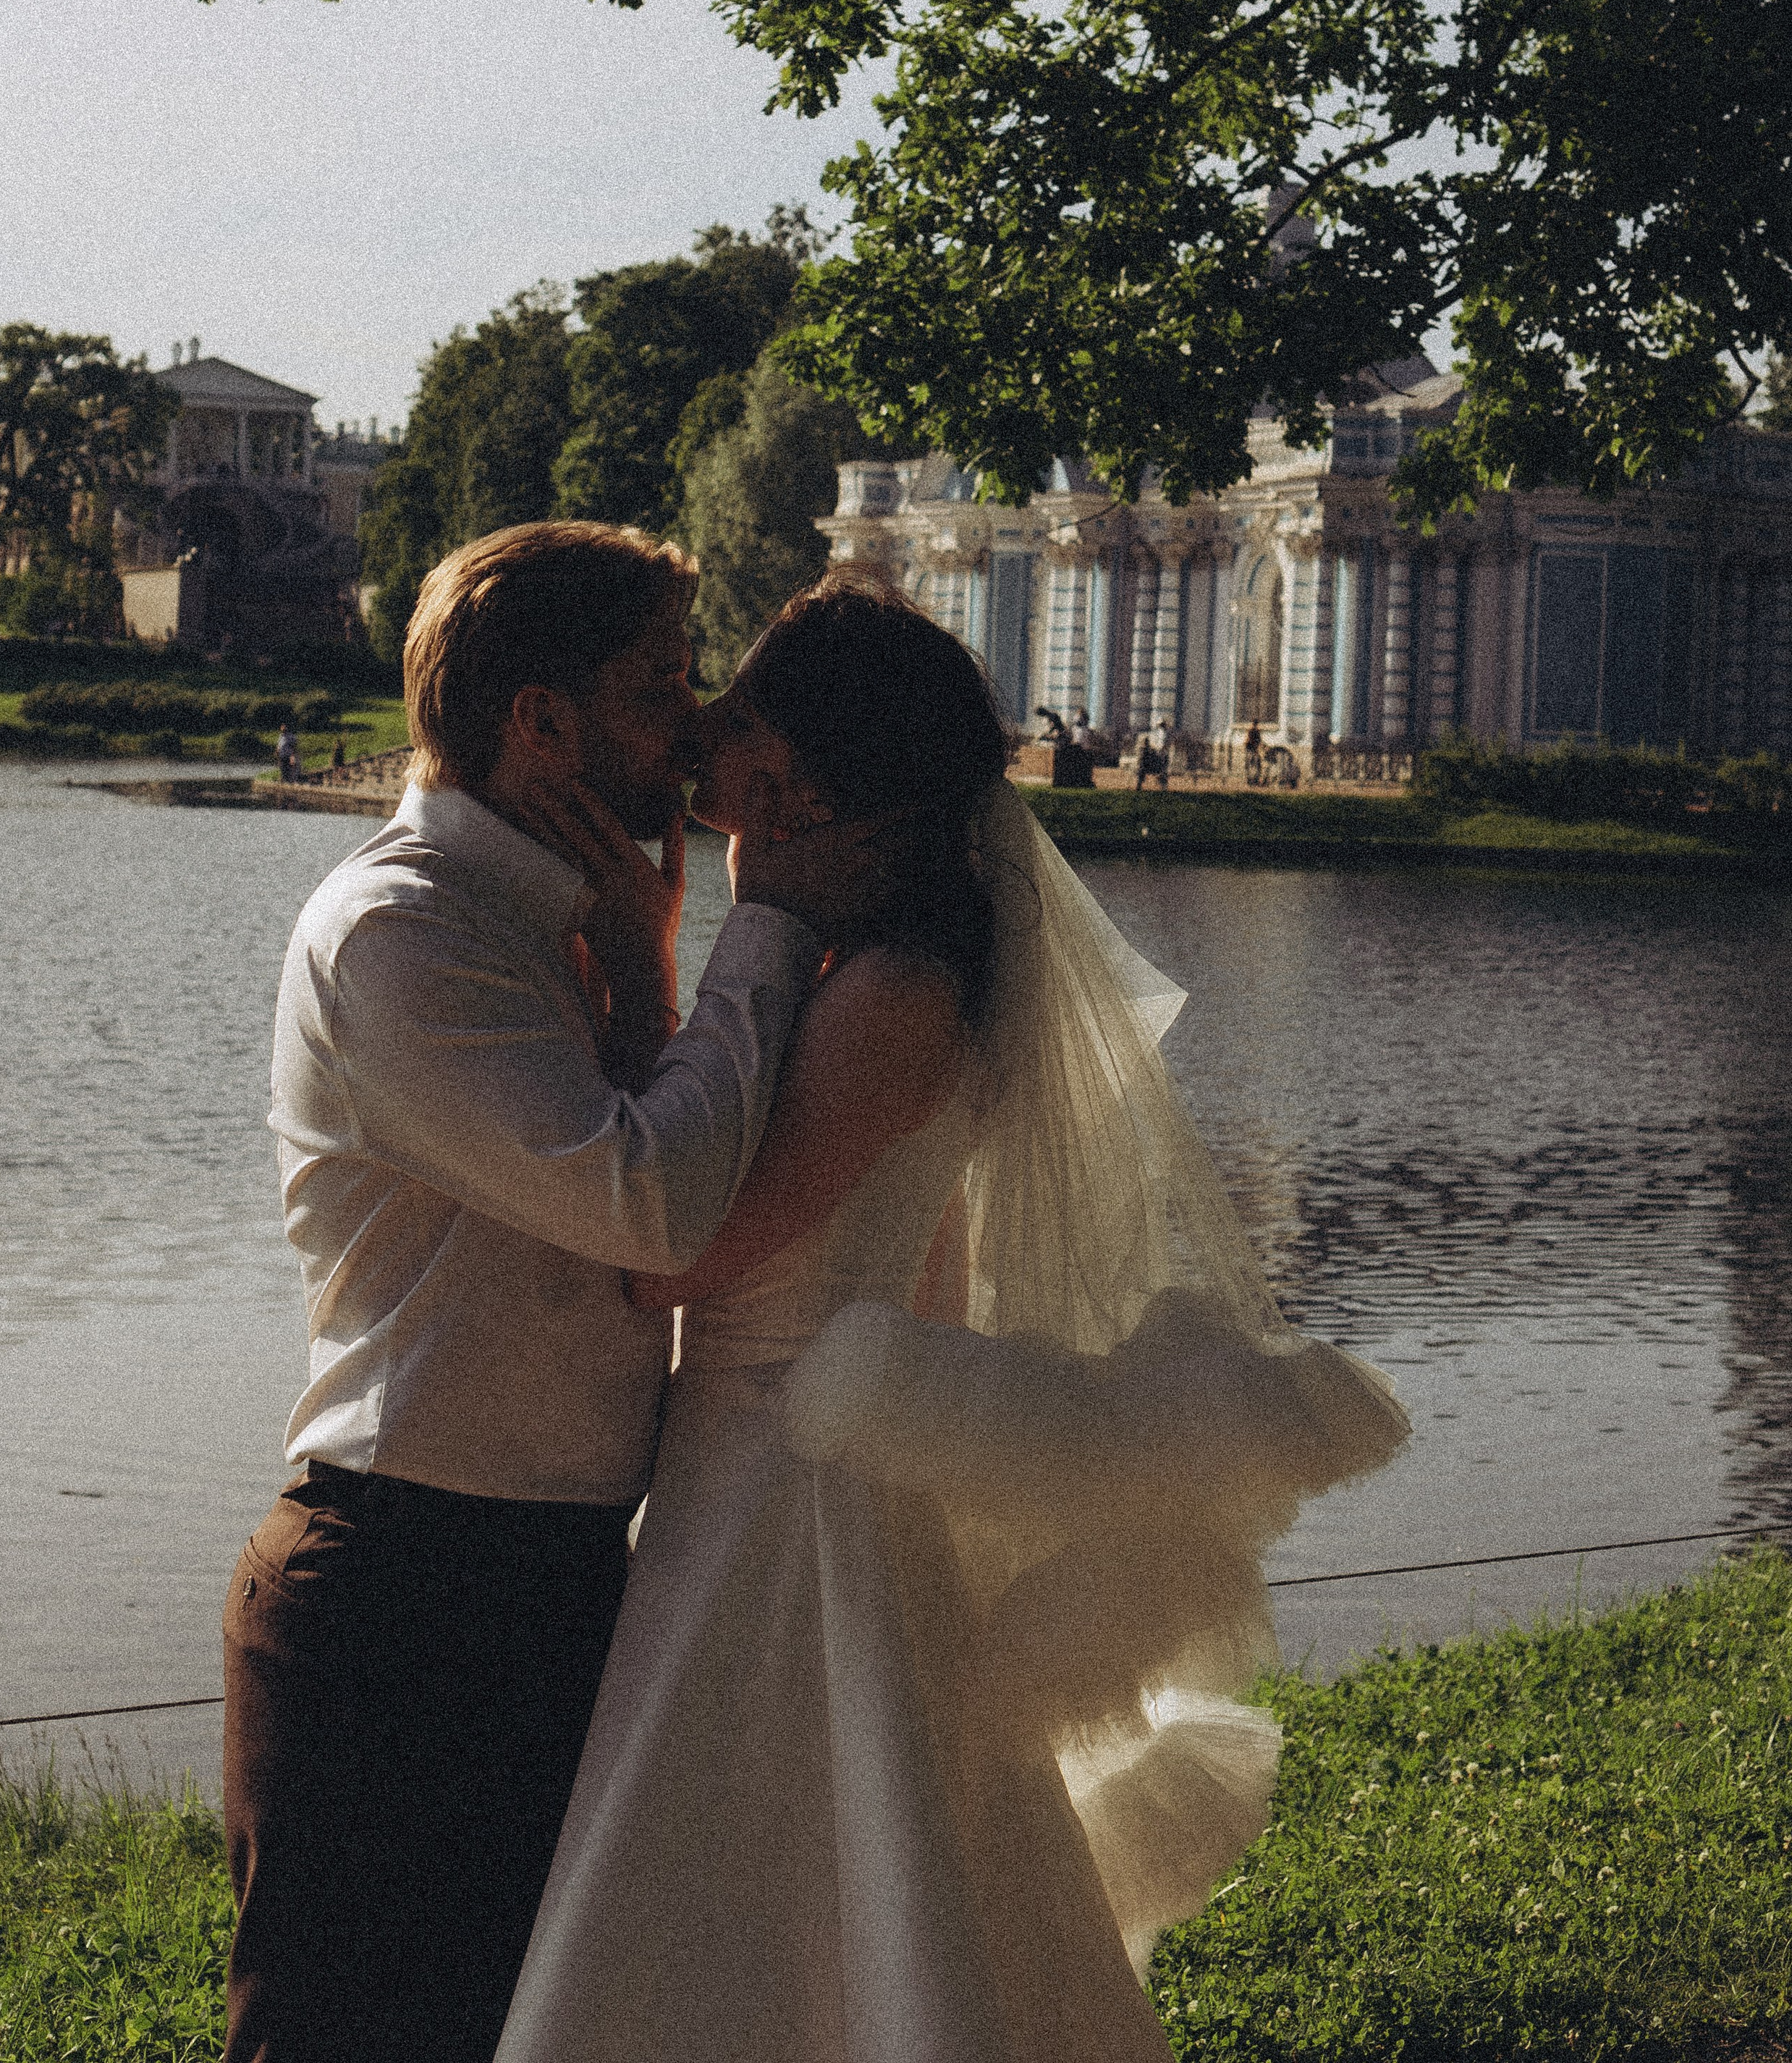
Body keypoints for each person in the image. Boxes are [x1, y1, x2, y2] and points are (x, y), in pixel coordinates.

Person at [497, 570, 1408, 2063]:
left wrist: (685, 946)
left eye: (727, 726)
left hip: (782, 1491)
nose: (696, 746)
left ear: (781, 785)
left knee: (786, 1854)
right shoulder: (889, 971)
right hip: (773, 1460)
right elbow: (917, 1272)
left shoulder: (885, 997)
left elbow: (671, 1262)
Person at [221, 523, 884, 2063]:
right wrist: (767, 927)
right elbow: (650, 1203)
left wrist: (650, 974)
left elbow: (645, 1183)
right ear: (540, 719)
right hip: (398, 1597)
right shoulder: (399, 935)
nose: (698, 723)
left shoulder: (555, 921)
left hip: (545, 1587)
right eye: (661, 685)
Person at [1133, 714, 1172, 790]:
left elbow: (1161, 746)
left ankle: (1140, 783)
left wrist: (1154, 749)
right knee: (1143, 763)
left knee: (1142, 765)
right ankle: (1140, 783)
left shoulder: (1162, 734)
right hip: (1156, 755)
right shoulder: (1158, 733)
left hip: (1159, 756)